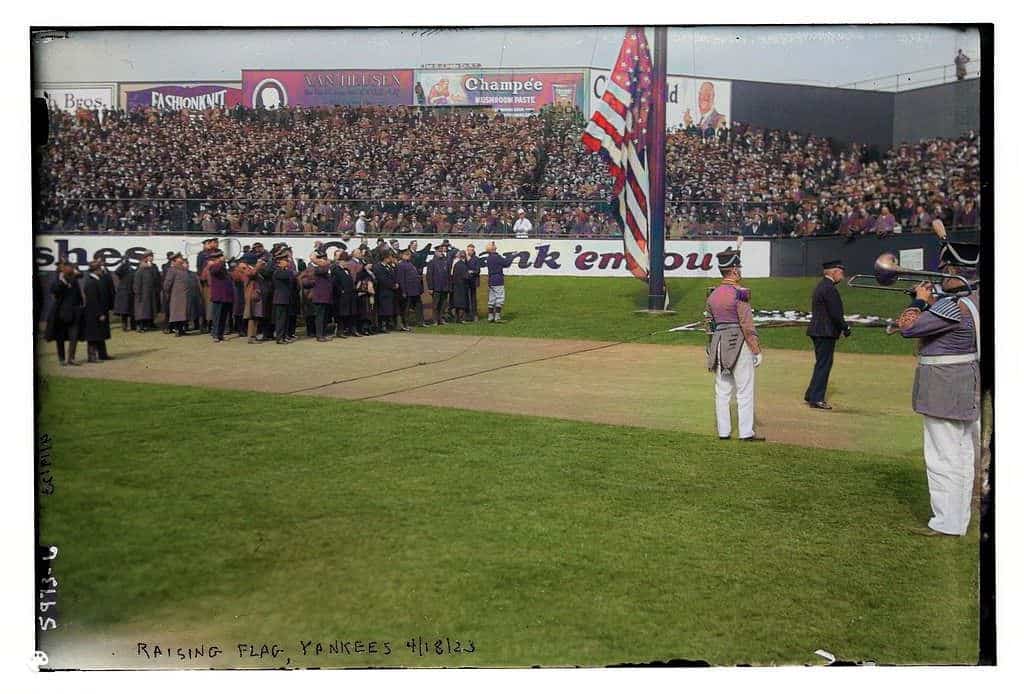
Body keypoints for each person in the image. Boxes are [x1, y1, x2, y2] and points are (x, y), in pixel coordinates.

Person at [895, 241, 981, 537]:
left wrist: (919, 301)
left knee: (943, 456)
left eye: (945, 271)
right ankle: (958, 518)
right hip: (966, 383)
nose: (941, 276)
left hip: (944, 385)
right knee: (961, 454)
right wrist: (932, 303)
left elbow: (907, 327)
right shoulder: (976, 299)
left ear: (956, 271)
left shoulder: (955, 304)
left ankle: (947, 521)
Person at [704, 247, 764, 441]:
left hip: (719, 344)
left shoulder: (712, 294)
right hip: (739, 344)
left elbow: (709, 323)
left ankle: (724, 432)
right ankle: (746, 432)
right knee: (744, 390)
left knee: (722, 390)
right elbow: (746, 323)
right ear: (734, 270)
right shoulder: (741, 293)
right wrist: (756, 349)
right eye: (739, 267)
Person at [804, 260, 851, 410]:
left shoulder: (822, 286)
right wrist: (845, 327)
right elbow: (835, 313)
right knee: (824, 364)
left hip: (818, 330)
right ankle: (816, 398)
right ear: (833, 272)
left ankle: (811, 393)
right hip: (825, 331)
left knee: (821, 363)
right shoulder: (829, 288)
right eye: (840, 272)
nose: (842, 276)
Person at [45, 261, 85, 366]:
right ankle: (61, 359)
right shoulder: (57, 281)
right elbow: (56, 291)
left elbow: (81, 275)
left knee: (74, 337)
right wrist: (63, 281)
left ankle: (71, 358)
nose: (70, 269)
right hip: (61, 314)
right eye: (68, 268)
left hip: (75, 312)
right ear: (62, 270)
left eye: (70, 268)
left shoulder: (74, 279)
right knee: (60, 337)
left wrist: (80, 305)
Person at [81, 260, 113, 362]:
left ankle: (102, 354)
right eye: (99, 268)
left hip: (101, 311)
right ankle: (92, 356)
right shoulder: (91, 282)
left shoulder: (99, 280)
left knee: (100, 334)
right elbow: (93, 300)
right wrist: (99, 313)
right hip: (94, 313)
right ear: (95, 270)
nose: (101, 270)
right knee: (93, 335)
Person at [204, 249, 233, 342]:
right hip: (218, 296)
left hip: (225, 296)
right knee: (217, 316)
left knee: (223, 317)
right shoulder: (214, 266)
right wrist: (220, 262)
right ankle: (215, 334)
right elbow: (215, 271)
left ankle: (220, 334)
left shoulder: (222, 267)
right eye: (221, 257)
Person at [484, 241, 515, 323]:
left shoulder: (489, 258)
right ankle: (497, 317)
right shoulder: (496, 257)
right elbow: (506, 263)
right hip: (498, 279)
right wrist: (512, 257)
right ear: (492, 249)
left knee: (492, 298)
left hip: (491, 279)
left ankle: (490, 317)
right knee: (500, 298)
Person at [131, 250, 162, 332]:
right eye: (150, 256)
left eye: (152, 256)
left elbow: (157, 278)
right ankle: (140, 325)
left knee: (151, 309)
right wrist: (137, 292)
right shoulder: (141, 268)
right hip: (143, 292)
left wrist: (158, 288)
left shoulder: (154, 266)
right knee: (142, 310)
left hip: (152, 292)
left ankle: (150, 323)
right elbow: (137, 282)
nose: (152, 258)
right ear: (145, 258)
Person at [162, 253, 191, 337]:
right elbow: (167, 283)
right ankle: (177, 329)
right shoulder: (172, 270)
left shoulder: (184, 269)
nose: (181, 259)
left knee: (183, 314)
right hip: (176, 295)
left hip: (185, 295)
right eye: (180, 258)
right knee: (176, 314)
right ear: (175, 260)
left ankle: (182, 329)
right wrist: (168, 292)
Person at [271, 251, 295, 344]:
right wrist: (290, 268)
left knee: (285, 319)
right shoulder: (278, 272)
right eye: (286, 261)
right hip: (280, 299)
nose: (288, 263)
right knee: (281, 320)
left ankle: (284, 336)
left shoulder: (284, 271)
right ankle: (280, 337)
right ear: (280, 262)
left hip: (286, 298)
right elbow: (290, 275)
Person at [396, 249, 422, 330]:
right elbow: (401, 279)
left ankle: (419, 321)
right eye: (407, 254)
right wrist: (403, 291)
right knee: (406, 308)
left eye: (409, 255)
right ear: (403, 255)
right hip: (408, 290)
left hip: (415, 290)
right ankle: (405, 324)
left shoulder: (410, 264)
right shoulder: (401, 265)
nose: (409, 256)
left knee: (418, 305)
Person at [426, 245, 451, 325]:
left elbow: (448, 274)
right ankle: (435, 320)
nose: (441, 253)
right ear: (436, 252)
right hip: (436, 287)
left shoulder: (445, 261)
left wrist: (448, 286)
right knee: (436, 305)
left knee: (443, 305)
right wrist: (430, 287)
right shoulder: (432, 262)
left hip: (444, 287)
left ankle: (441, 319)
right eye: (440, 252)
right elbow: (429, 276)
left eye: (442, 251)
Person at [112, 258, 135, 332]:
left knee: (132, 311)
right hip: (124, 291)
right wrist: (122, 264)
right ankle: (124, 326)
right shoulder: (122, 270)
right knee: (124, 311)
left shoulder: (132, 269)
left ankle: (133, 326)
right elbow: (117, 272)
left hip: (131, 291)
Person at [450, 250, 471, 323]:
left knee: (456, 303)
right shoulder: (463, 265)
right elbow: (466, 276)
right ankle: (461, 319)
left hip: (456, 286)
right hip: (462, 286)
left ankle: (456, 318)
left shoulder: (456, 264)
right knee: (462, 303)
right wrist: (469, 274)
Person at [464, 243, 481, 321]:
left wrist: (471, 271)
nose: (469, 252)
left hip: (473, 281)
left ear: (473, 251)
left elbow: (477, 270)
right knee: (466, 298)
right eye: (468, 250)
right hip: (466, 281)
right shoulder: (464, 259)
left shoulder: (476, 259)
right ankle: (467, 314)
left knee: (473, 298)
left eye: (471, 250)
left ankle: (474, 314)